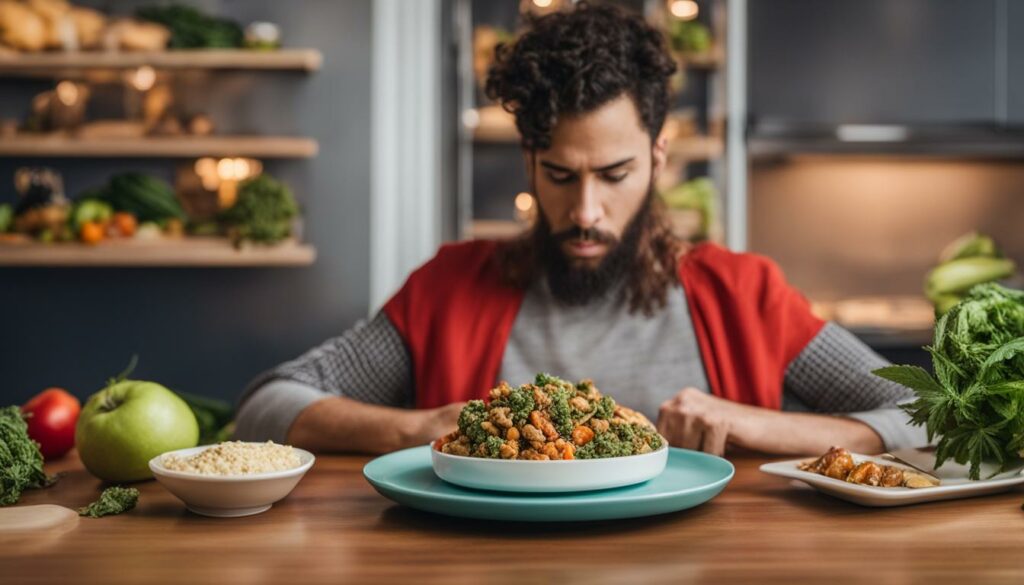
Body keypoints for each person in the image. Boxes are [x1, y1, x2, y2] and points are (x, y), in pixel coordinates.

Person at [234, 3, 925, 457]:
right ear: (530, 161)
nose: (587, 210)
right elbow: (266, 407)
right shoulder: (448, 287)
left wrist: (762, 425)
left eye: (615, 173)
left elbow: (926, 415)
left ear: (657, 158)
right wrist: (414, 426)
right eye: (561, 176)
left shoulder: (744, 293)